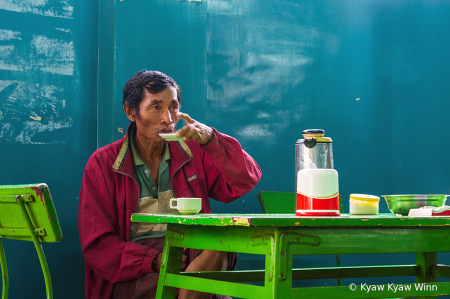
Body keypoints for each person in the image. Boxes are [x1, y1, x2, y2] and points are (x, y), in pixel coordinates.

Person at [78, 70, 262, 299]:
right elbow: (98, 246)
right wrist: (154, 259)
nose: (168, 118)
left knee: (221, 242)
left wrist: (212, 140)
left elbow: (246, 180)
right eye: (156, 107)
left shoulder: (194, 151)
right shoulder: (103, 164)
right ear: (130, 111)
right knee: (205, 291)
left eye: (173, 107)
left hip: (195, 256)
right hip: (136, 270)